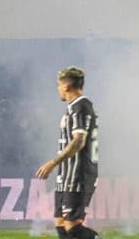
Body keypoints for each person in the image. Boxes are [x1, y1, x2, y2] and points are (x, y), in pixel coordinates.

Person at [34, 67, 100, 239]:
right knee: (60, 222)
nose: (58, 89)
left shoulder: (81, 106)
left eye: (58, 85)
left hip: (78, 174)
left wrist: (52, 163)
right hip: (66, 174)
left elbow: (78, 141)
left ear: (66, 86)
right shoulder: (72, 107)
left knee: (73, 226)